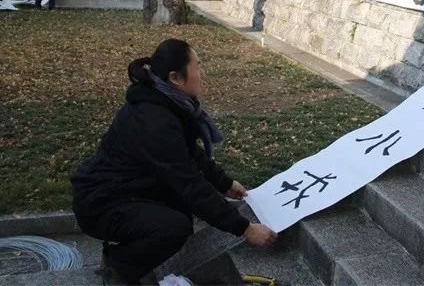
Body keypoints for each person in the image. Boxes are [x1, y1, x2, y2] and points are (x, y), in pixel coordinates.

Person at [71, 39, 277, 284]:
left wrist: (224, 183)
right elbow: (189, 184)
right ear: (176, 78)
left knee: (179, 210)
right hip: (101, 203)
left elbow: (189, 154)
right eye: (197, 67)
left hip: (125, 189)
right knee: (173, 228)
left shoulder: (165, 102)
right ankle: (119, 268)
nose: (202, 74)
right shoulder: (155, 120)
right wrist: (245, 229)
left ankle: (134, 259)